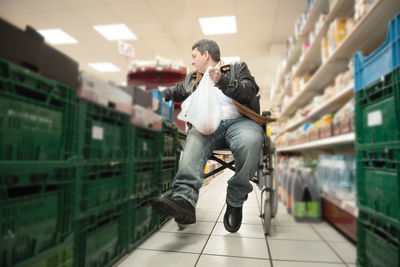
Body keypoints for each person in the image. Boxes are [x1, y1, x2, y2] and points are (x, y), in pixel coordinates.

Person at [152, 39, 264, 233]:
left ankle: (235, 199)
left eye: (194, 56)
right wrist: (155, 96)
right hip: (209, 126)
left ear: (206, 55)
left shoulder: (236, 67)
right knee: (193, 139)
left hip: (240, 122)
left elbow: (250, 91)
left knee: (251, 141)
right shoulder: (194, 78)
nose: (193, 62)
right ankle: (184, 199)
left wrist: (223, 80)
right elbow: (175, 91)